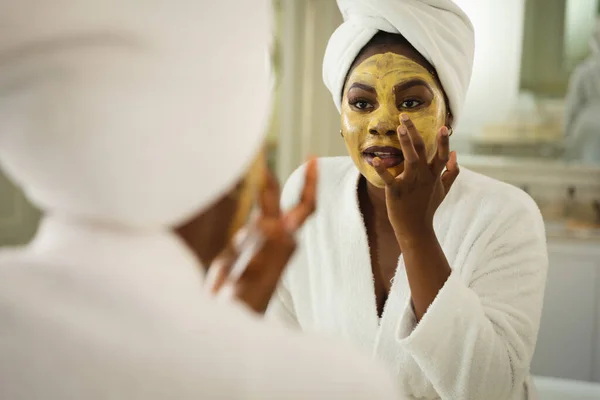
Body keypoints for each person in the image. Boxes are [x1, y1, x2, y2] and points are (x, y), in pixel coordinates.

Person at [0, 1, 401, 399]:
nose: (384, 124)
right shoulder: (338, 387)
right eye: (362, 103)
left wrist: (225, 323)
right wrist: (227, 334)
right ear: (234, 159)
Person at [268, 1, 548, 399]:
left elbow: (489, 389)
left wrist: (417, 235)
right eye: (362, 103)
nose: (382, 123)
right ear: (341, 116)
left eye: (412, 102)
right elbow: (281, 358)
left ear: (448, 116)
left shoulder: (505, 215)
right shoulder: (310, 192)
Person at [564, 18, 600, 164]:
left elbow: (572, 108)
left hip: (586, 130)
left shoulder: (583, 71)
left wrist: (567, 134)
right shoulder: (584, 72)